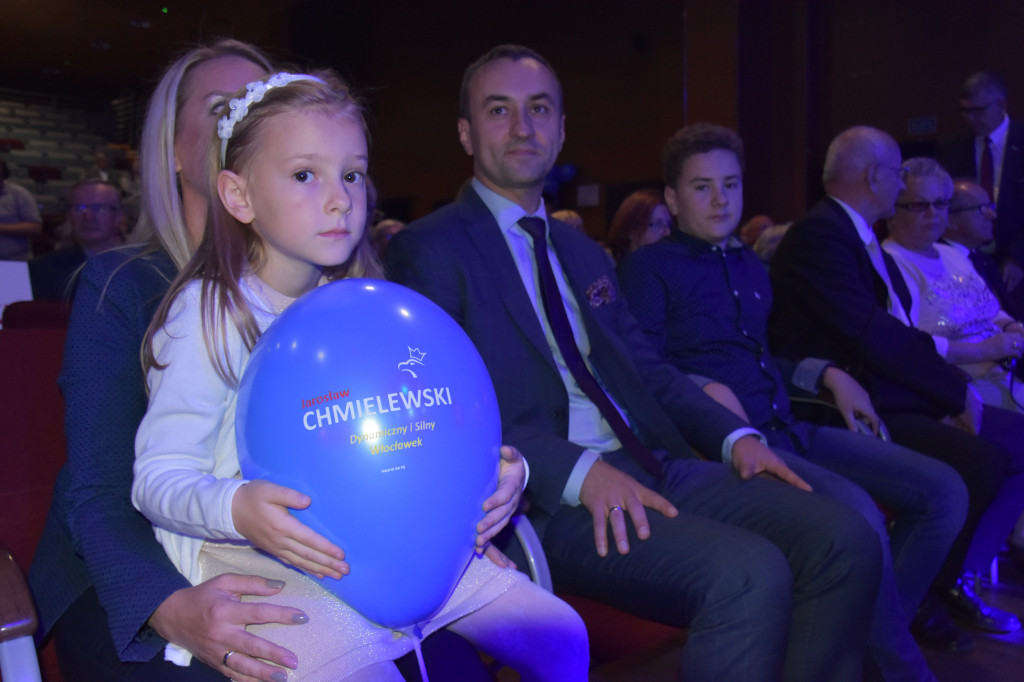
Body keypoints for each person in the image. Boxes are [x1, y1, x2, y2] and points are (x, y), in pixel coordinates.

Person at [387, 43, 883, 682]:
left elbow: (646, 368)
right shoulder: (429, 249)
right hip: (548, 497)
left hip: (653, 462)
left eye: (539, 109)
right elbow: (447, 409)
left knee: (847, 537)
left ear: (562, 129)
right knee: (751, 575)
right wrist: (580, 471)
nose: (523, 127)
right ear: (465, 132)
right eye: (499, 110)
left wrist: (734, 438)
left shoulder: (581, 251)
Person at [28, 41, 505, 682]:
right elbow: (99, 493)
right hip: (127, 581)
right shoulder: (123, 284)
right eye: (226, 107)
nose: (252, 118)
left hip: (300, 560)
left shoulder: (335, 288)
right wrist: (170, 608)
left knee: (453, 664)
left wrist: (465, 494)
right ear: (175, 151)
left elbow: (379, 440)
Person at [132, 71, 585, 682]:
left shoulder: (375, 310)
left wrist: (509, 473)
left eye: (352, 174)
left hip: (394, 539)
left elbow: (435, 426)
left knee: (561, 636)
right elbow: (155, 479)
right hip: (265, 557)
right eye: (304, 175)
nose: (341, 199)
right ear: (238, 196)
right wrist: (237, 507)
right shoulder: (208, 314)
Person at [619, 123, 967, 680]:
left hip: (793, 427)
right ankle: (898, 667)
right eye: (702, 187)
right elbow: (640, 371)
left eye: (730, 184)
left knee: (943, 492)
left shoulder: (749, 265)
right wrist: (701, 387)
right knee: (859, 517)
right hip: (731, 449)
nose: (720, 199)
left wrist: (826, 372)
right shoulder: (648, 269)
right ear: (673, 198)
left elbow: (766, 357)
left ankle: (859, 637)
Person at [769, 125, 1024, 654]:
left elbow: (893, 333)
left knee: (1016, 441)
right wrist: (952, 393)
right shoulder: (822, 235)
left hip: (879, 385)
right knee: (980, 461)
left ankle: (944, 582)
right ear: (874, 176)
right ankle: (907, 609)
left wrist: (949, 390)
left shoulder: (853, 234)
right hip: (839, 399)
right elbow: (869, 334)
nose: (902, 183)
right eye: (899, 173)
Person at [884, 158, 1024, 412]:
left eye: (940, 203)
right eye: (919, 205)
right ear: (893, 210)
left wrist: (1012, 327)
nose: (933, 214)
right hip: (960, 386)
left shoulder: (951, 253)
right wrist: (985, 350)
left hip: (1005, 370)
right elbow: (909, 344)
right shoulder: (891, 261)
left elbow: (991, 311)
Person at [936, 72, 1024, 306]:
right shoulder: (951, 147)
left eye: (978, 111)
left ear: (1001, 105)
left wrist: (1018, 257)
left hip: (1017, 259)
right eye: (965, 111)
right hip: (967, 260)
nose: (970, 118)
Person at [29, 179, 124, 299]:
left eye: (99, 208)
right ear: (69, 215)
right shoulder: (42, 269)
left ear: (118, 215)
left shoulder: (138, 265)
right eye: (79, 208)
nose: (88, 217)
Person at [605, 187, 670, 263]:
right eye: (659, 224)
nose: (667, 233)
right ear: (632, 230)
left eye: (669, 225)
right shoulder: (609, 266)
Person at [0, 157, 42, 260]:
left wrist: (1, 228)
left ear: (4, 175)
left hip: (14, 260)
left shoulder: (19, 193)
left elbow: (35, 228)